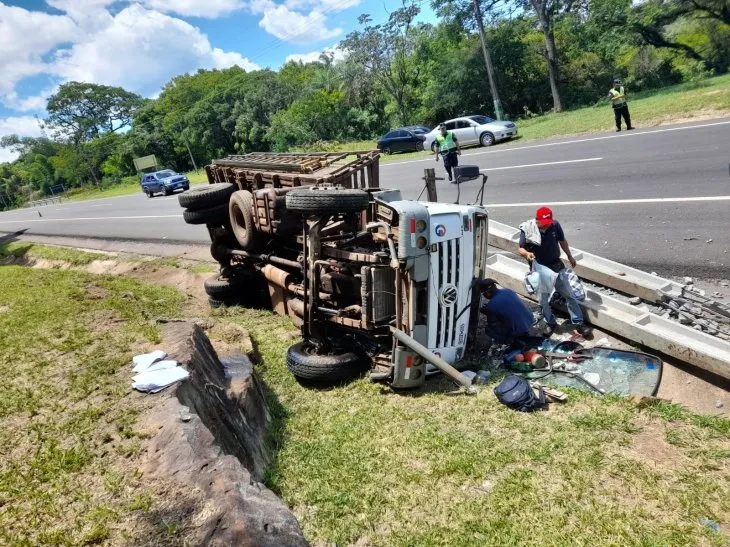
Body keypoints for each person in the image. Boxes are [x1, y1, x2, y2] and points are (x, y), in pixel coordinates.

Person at [518, 207, 592, 336]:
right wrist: (527, 254)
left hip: (556, 265)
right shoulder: (528, 228)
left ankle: (578, 323)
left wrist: (569, 255)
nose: (546, 225)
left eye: (548, 222)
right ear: (537, 220)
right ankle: (550, 323)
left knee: (569, 294)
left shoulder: (555, 225)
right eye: (543, 223)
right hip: (540, 269)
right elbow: (521, 248)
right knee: (543, 300)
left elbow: (562, 241)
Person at [479, 278, 535, 344]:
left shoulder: (491, 305)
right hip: (530, 321)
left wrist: (488, 312)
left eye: (483, 294)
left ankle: (513, 341)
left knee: (488, 330)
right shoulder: (508, 290)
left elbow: (493, 326)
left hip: (519, 331)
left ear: (487, 293)